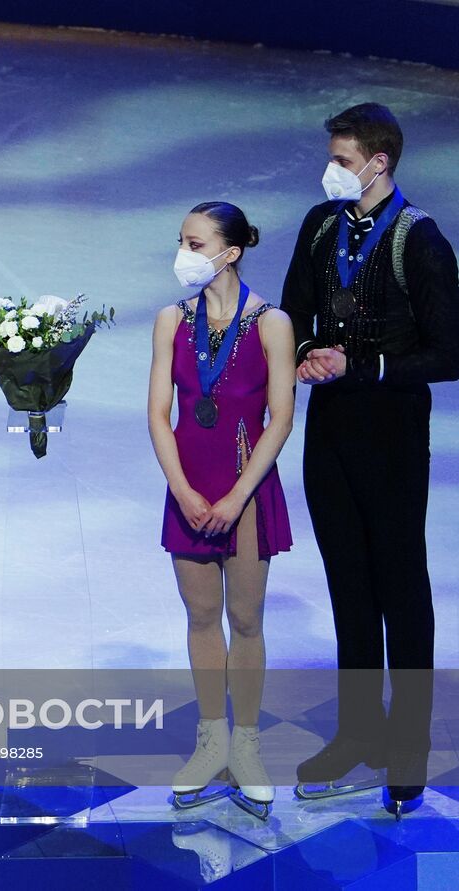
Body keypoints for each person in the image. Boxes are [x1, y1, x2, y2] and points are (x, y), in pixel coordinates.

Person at [281, 103, 459, 816]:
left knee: (400, 591)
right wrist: (302, 354)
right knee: (348, 586)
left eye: (344, 159)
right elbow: (293, 312)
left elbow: (451, 352)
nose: (332, 169)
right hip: (330, 433)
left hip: (390, 434)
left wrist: (364, 368)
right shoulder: (322, 226)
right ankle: (358, 733)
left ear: (379, 163)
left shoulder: (421, 242)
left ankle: (407, 751)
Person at [149, 202, 295, 820]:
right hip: (189, 484)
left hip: (246, 488)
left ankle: (248, 747)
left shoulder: (271, 323)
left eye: (195, 241)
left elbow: (282, 418)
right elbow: (159, 412)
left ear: (229, 252)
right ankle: (210, 743)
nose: (183, 252)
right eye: (181, 240)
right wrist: (182, 490)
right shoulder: (169, 321)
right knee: (202, 616)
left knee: (246, 618)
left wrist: (237, 496)